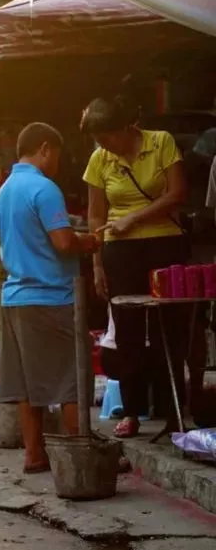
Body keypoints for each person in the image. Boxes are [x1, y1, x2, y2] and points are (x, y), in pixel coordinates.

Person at [0, 122, 101, 473]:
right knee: (71, 377)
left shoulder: (5, 189)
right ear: (44, 148)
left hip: (15, 299)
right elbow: (64, 243)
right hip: (50, 297)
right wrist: (91, 241)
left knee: (29, 383)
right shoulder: (44, 188)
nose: (58, 161)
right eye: (56, 153)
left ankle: (34, 454)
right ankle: (80, 453)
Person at [83, 96, 188, 438]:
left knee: (168, 326)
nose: (103, 146)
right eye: (98, 141)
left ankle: (175, 411)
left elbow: (177, 193)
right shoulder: (100, 159)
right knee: (126, 330)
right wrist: (97, 264)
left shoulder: (161, 143)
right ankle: (131, 412)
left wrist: (134, 219)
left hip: (165, 243)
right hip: (119, 251)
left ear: (124, 128)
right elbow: (96, 215)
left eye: (106, 138)